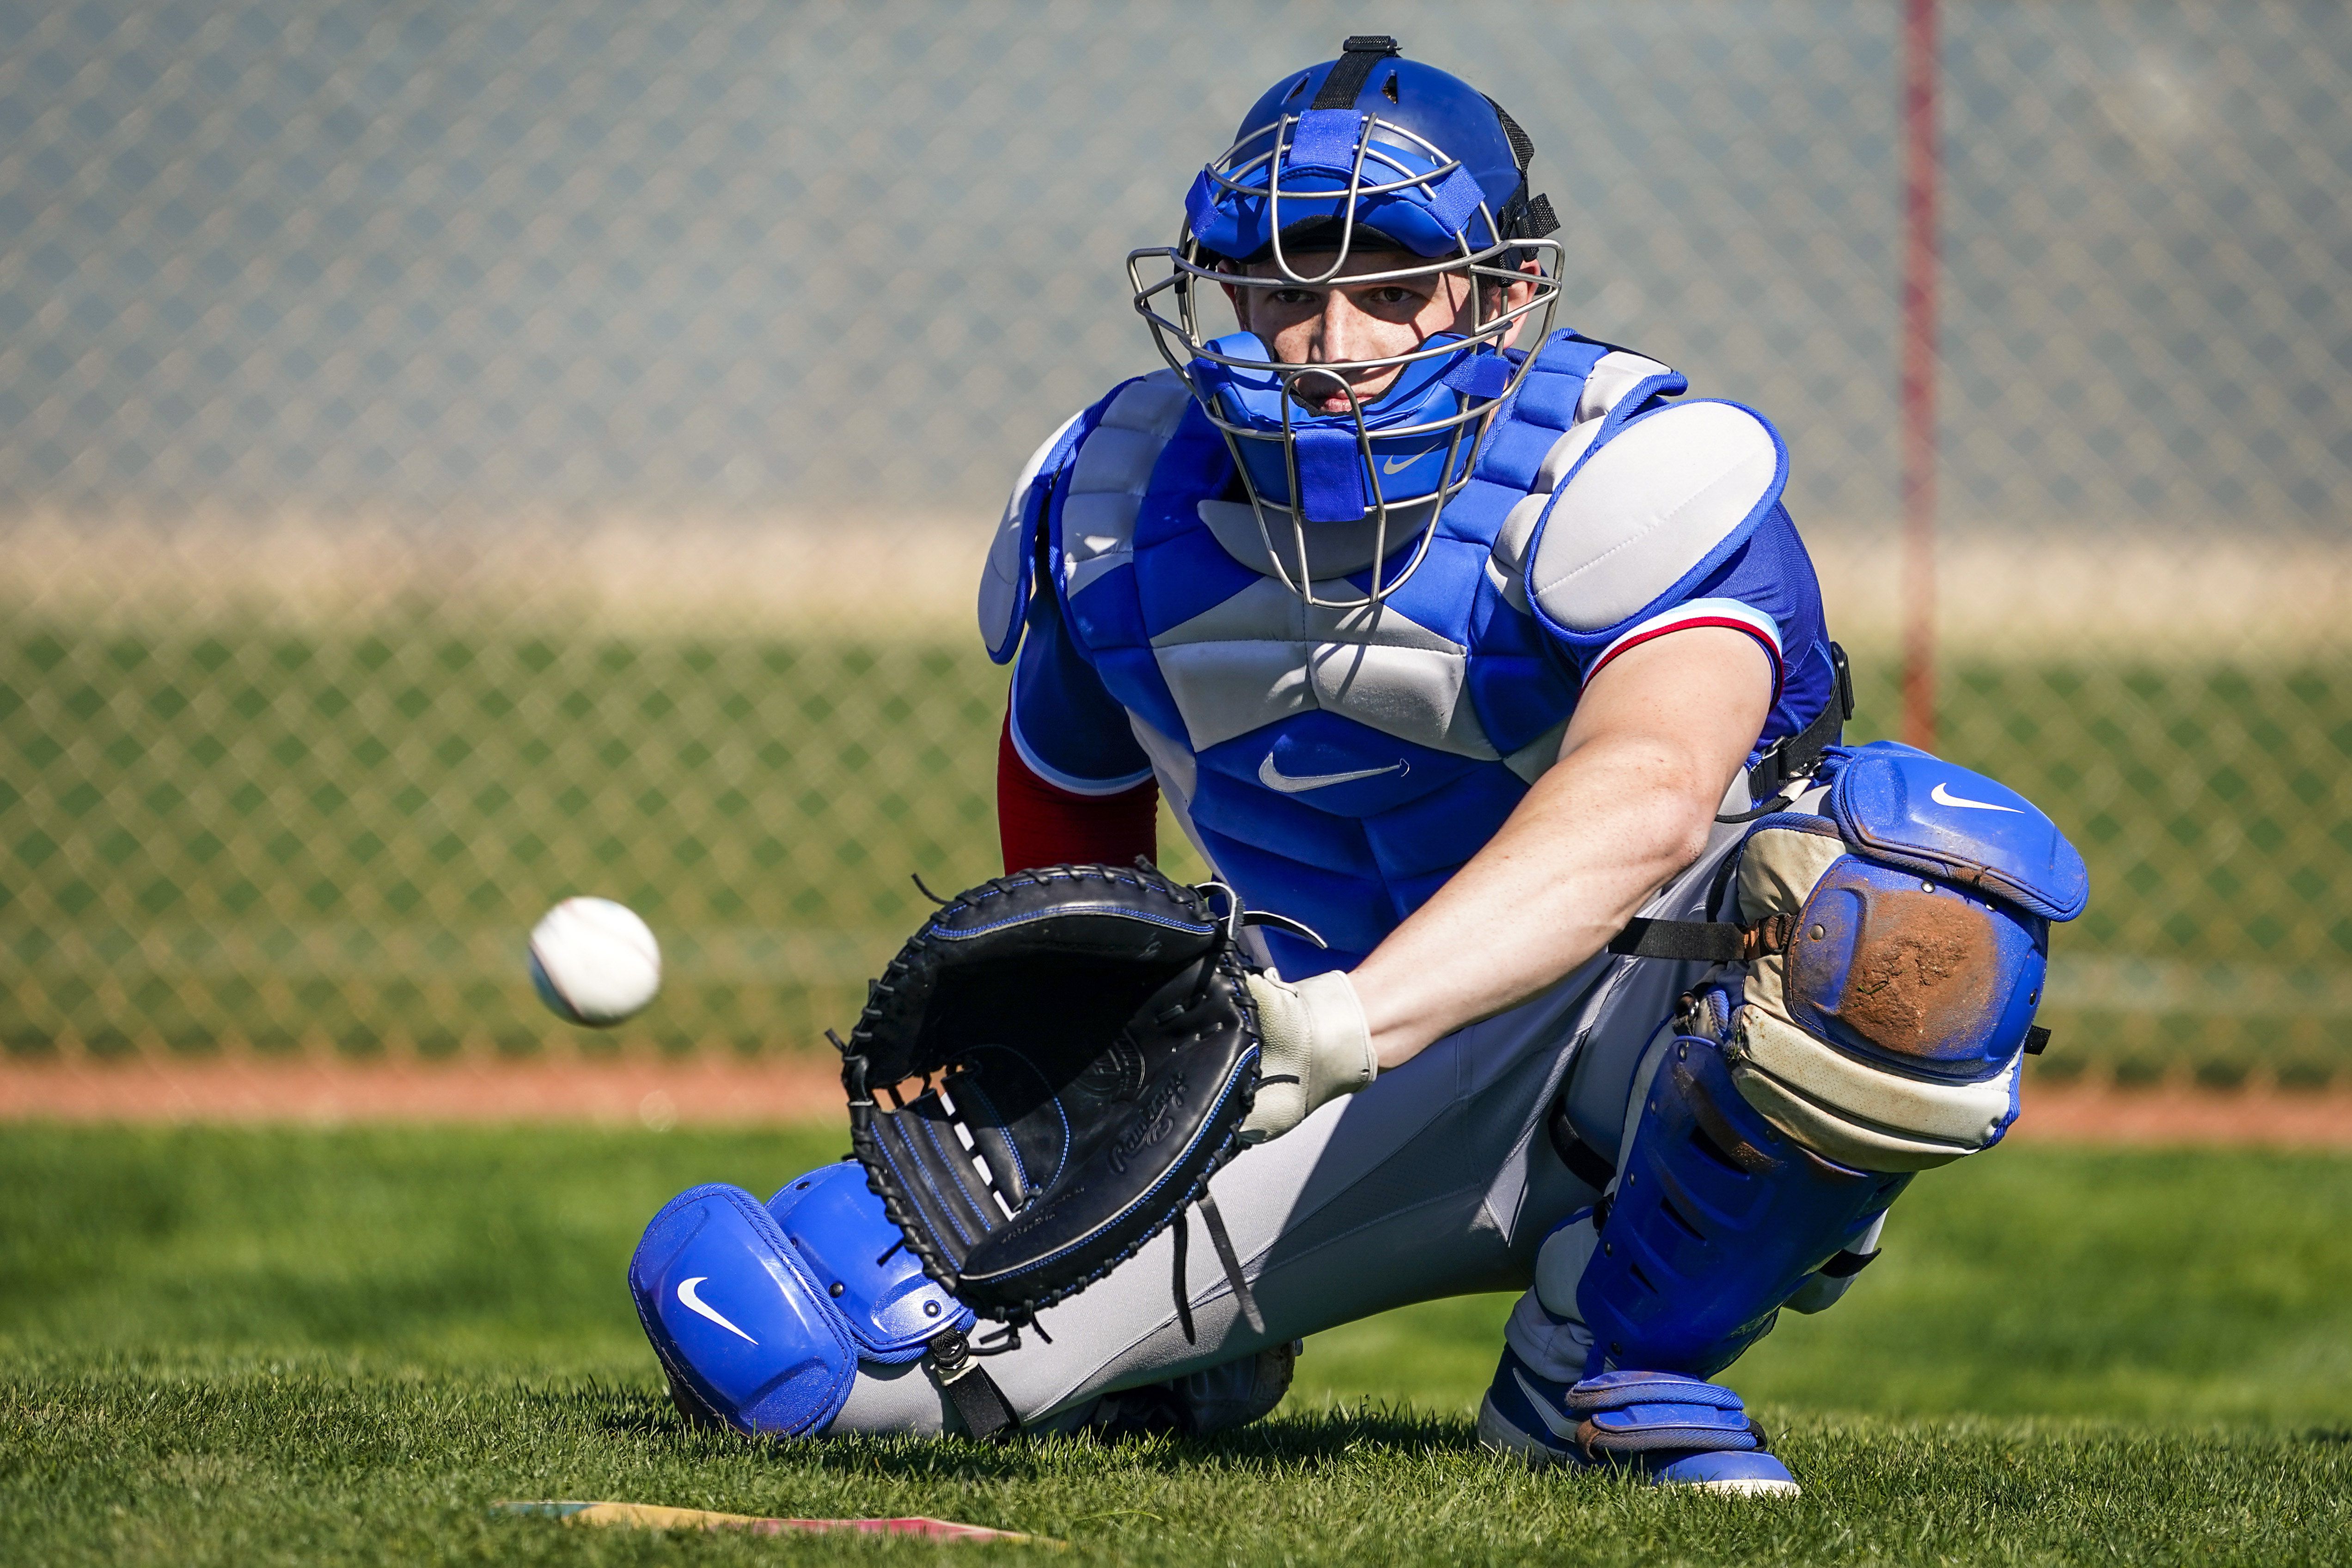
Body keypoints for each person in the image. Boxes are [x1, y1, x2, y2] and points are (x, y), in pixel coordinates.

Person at [626, 37, 2084, 1495]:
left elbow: (1645, 794)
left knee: (1921, 895)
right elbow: (1067, 822)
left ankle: (1605, 1375)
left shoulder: (1628, 477)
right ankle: (1184, 1360)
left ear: (1505, 298)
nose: (1330, 342)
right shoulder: (1111, 497)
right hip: (1278, 1062)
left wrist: (1346, 1022)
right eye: (1280, 285)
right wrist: (1088, 1068)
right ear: (1223, 291)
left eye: (1390, 288)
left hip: (1623, 1033)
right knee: (798, 1353)